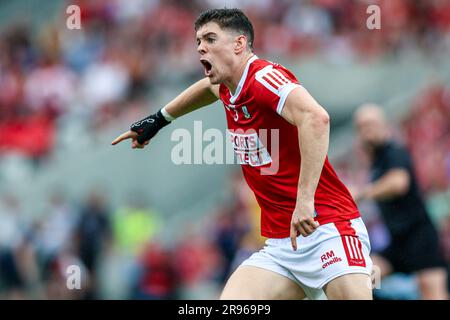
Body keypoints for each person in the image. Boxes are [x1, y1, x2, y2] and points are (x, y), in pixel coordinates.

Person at [112, 8, 373, 300]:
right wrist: (160, 119)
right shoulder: (226, 85)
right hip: (282, 245)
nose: (201, 47)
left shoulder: (264, 78)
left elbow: (317, 118)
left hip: (326, 228)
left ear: (239, 44)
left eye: (210, 38)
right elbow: (206, 89)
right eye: (198, 40)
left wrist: (304, 199)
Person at [352, 103, 448, 300]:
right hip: (397, 242)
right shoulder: (376, 160)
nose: (367, 130)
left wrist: (362, 193)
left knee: (433, 293)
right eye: (362, 127)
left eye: (371, 124)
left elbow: (399, 182)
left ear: (384, 125)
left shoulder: (394, 152)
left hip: (420, 238)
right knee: (364, 279)